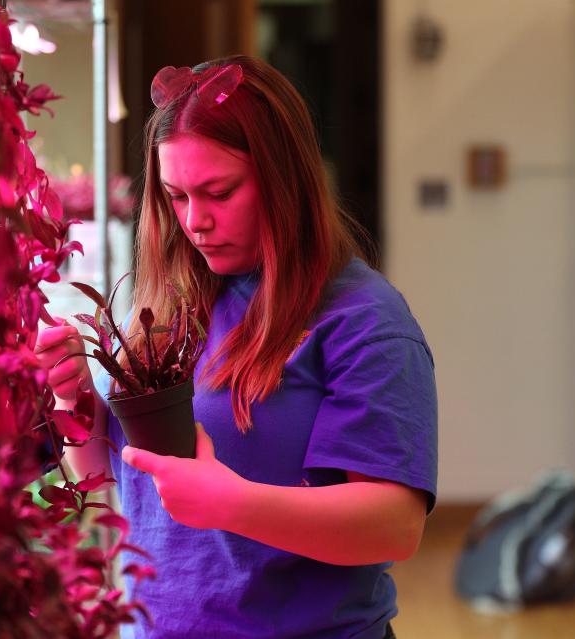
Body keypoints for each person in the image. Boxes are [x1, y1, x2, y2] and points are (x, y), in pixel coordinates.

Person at [36, 54, 437, 639]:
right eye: (176, 196)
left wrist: (232, 503)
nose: (195, 221)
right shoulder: (170, 303)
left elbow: (393, 528)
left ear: (284, 180)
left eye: (219, 192)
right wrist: (73, 402)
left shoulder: (363, 320)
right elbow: (111, 479)